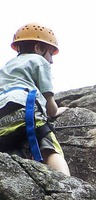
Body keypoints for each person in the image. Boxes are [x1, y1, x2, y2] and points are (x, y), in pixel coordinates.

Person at [0, 22, 70, 176]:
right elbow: (51, 108)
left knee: (12, 150)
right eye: (50, 53)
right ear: (38, 48)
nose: (51, 60)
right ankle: (67, 188)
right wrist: (58, 110)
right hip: (26, 108)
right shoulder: (39, 61)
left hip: (2, 117)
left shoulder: (6, 67)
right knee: (49, 148)